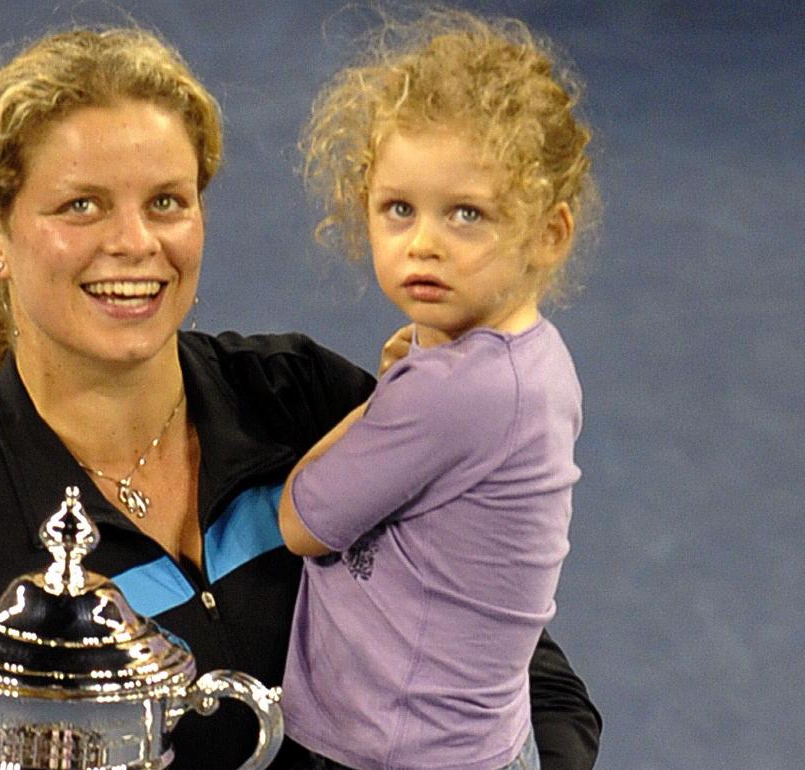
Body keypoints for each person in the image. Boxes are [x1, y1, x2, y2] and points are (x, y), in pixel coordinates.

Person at [0, 24, 601, 770]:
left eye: (166, 202)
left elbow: (531, 677)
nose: (133, 243)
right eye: (81, 205)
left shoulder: (304, 399)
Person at [277, 9, 597, 770]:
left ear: (548, 234)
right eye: (399, 209)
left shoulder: (453, 394)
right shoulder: (532, 358)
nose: (424, 241)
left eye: (467, 215)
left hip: (404, 754)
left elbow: (302, 520)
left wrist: (376, 401)